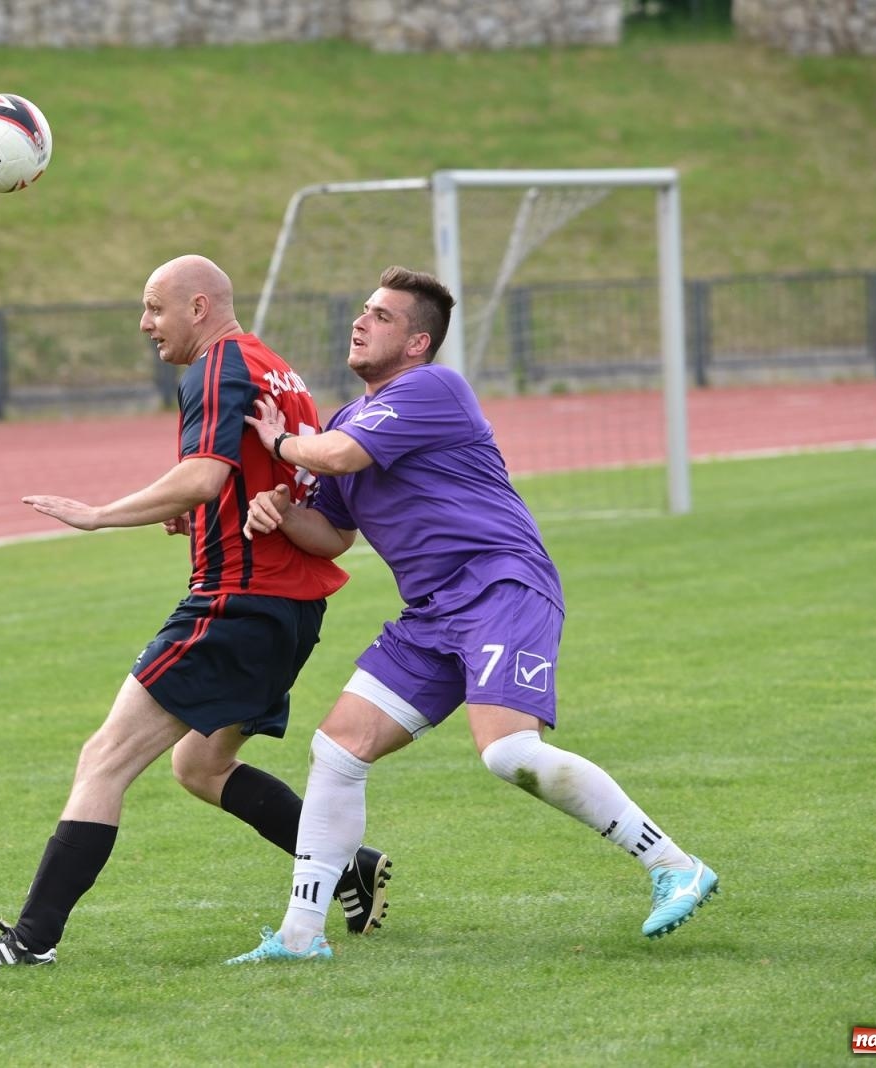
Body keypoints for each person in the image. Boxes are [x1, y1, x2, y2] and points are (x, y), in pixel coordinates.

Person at [226, 266, 718, 964]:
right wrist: (278, 513)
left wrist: (280, 445)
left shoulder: (433, 389)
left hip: (499, 585)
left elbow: (335, 456)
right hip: (431, 613)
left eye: (382, 316)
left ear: (418, 342)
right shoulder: (348, 419)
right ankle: (300, 939)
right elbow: (333, 535)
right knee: (337, 749)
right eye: (362, 310)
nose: (361, 322)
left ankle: (673, 864)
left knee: (507, 752)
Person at [0, 254, 391, 970]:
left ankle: (30, 942)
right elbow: (262, 481)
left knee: (104, 757)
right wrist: (201, 518)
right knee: (201, 765)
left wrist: (99, 515)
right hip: (291, 611)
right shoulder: (282, 371)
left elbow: (205, 475)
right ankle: (351, 863)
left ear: (199, 307)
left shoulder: (214, 367)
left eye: (155, 307)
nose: (146, 323)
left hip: (237, 603)